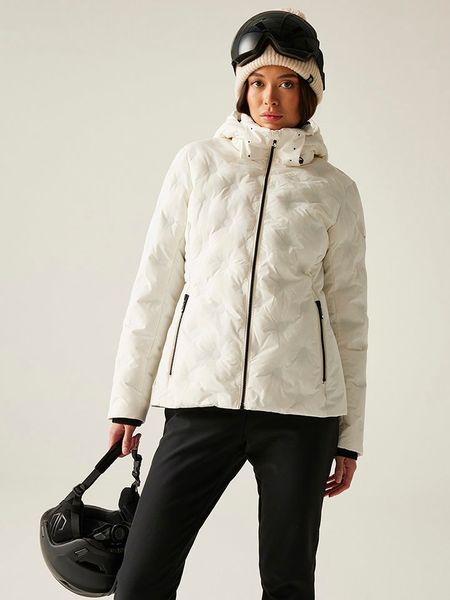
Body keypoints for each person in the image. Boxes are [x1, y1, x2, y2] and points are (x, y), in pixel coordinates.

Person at [107, 8, 368, 600]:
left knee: (288, 584)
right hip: (201, 399)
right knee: (140, 580)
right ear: (241, 88)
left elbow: (350, 315)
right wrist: (128, 401)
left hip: (301, 414)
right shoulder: (197, 165)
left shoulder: (336, 190)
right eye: (257, 82)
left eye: (287, 83)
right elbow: (155, 286)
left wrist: (349, 435)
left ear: (310, 92)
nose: (269, 98)